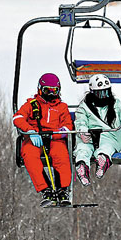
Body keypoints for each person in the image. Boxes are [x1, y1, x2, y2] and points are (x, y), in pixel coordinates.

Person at [13, 73, 75, 206]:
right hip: (35, 138)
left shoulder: (61, 107)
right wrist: (30, 131)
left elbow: (67, 126)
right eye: (47, 90)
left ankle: (63, 190)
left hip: (54, 139)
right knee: (29, 155)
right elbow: (17, 118)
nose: (51, 94)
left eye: (54, 91)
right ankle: (45, 190)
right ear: (40, 89)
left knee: (61, 155)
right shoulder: (31, 104)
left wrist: (57, 133)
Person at [74, 74, 121, 184]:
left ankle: (103, 160)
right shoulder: (84, 107)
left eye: (107, 92)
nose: (104, 96)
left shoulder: (115, 105)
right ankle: (82, 166)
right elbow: (81, 120)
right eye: (101, 93)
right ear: (93, 92)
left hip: (110, 137)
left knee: (106, 147)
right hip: (89, 136)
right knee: (82, 149)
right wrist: (83, 131)